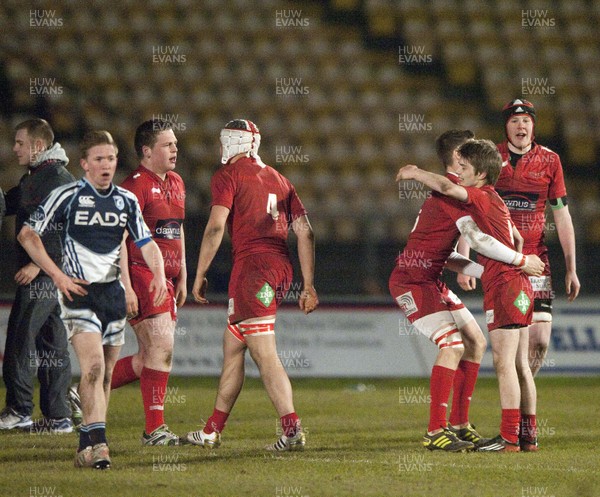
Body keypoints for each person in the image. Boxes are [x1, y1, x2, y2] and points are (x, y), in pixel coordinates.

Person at [17, 130, 168, 469]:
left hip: (112, 296)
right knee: (94, 366)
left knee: (107, 375)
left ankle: (87, 444)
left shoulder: (126, 201)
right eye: (98, 159)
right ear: (84, 164)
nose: (106, 165)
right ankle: (99, 445)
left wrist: (158, 273)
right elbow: (28, 233)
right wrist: (57, 275)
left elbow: (146, 243)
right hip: (79, 295)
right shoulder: (67, 195)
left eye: (111, 158)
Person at [390, 131, 544, 452]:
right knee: (456, 344)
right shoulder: (453, 192)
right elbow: (479, 240)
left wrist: (493, 267)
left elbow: (461, 249)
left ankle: (466, 425)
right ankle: (437, 430)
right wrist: (514, 261)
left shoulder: (471, 192)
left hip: (438, 278)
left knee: (478, 343)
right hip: (413, 280)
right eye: (467, 151)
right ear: (460, 155)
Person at [185, 119, 318, 451]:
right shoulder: (280, 179)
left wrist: (199, 272)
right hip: (280, 269)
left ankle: (291, 430)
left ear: (232, 142)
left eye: (222, 142)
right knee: (233, 347)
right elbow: (305, 231)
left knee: (264, 353)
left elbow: (216, 228)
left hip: (253, 270)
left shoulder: (228, 176)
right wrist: (308, 284)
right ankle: (213, 430)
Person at [108, 119, 186, 446]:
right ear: (146, 150)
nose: (175, 150)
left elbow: (177, 227)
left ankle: (85, 389)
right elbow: (118, 239)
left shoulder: (177, 181)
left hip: (166, 278)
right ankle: (154, 430)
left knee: (148, 358)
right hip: (141, 273)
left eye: (176, 145)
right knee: (161, 348)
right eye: (168, 145)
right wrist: (125, 284)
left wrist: (182, 272)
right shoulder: (134, 187)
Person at [496, 99, 580, 377]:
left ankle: (523, 396)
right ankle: (518, 409)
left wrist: (571, 268)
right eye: (514, 121)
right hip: (501, 260)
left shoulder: (550, 160)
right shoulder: (491, 159)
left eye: (526, 121)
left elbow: (562, 215)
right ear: (506, 127)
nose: (521, 126)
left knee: (540, 341)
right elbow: (469, 206)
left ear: (533, 126)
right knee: (514, 342)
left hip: (536, 260)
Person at [0, 118, 75, 433]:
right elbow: (10, 204)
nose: (14, 148)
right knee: (52, 343)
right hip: (49, 274)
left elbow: (64, 229)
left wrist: (37, 265)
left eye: (19, 143)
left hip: (43, 275)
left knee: (20, 336)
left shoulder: (55, 178)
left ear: (38, 146)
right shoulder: (38, 176)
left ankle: (19, 409)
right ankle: (58, 417)